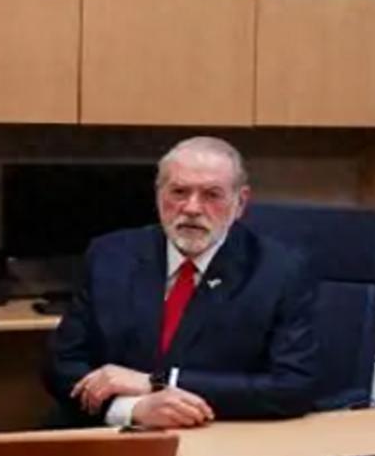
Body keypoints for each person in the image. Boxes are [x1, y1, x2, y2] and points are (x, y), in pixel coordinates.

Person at [43, 137, 320, 430]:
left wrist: (160, 383)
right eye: (179, 192)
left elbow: (293, 386)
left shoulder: (280, 270)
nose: (192, 208)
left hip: (217, 434)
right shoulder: (110, 256)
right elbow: (61, 366)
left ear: (240, 203)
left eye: (211, 195)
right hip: (111, 433)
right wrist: (131, 409)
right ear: (158, 195)